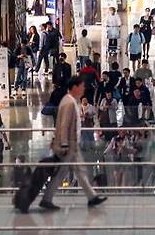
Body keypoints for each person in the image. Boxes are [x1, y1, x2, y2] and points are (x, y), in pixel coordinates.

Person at [40, 76, 107, 210]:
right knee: (63, 172)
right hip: (68, 144)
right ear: (75, 87)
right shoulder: (69, 102)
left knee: (80, 171)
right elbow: (64, 125)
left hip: (72, 144)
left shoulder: (71, 101)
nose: (83, 89)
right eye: (81, 87)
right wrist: (64, 144)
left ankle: (91, 197)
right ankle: (47, 199)